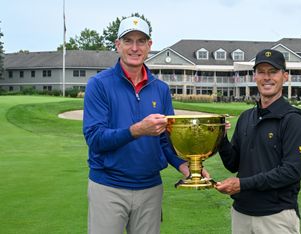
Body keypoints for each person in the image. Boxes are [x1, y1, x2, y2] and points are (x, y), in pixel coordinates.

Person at [82, 16, 207, 234]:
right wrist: (136, 130)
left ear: (150, 45)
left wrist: (185, 166)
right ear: (117, 44)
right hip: (108, 187)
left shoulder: (160, 88)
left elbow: (166, 140)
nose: (134, 47)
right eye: (128, 40)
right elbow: (95, 138)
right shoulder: (99, 85)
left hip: (150, 188)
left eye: (141, 41)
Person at [215, 49, 301, 233]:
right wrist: (220, 138)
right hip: (241, 213)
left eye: (273, 72)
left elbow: (291, 172)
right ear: (254, 76)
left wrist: (242, 184)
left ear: (285, 76)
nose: (267, 78)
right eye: (261, 72)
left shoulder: (293, 120)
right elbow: (233, 163)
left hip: (276, 216)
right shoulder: (246, 117)